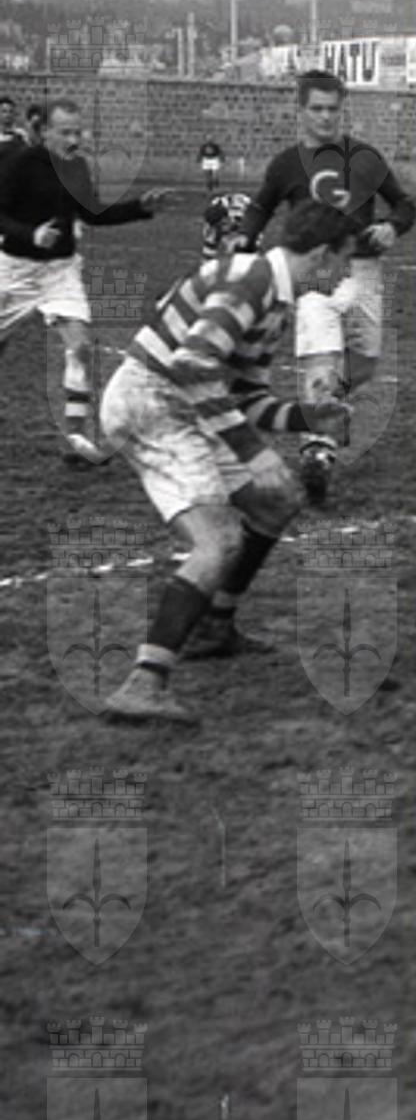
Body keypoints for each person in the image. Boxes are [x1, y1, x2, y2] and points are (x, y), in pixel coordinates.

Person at [95, 200, 358, 722]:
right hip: (152, 401)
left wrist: (309, 417)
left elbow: (244, 396)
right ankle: (143, 682)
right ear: (322, 255)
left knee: (277, 501)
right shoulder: (252, 281)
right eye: (344, 260)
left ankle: (215, 627)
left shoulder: (272, 297)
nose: (347, 273)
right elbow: (193, 363)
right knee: (218, 542)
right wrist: (253, 452)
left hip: (183, 401)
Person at [236, 70, 416, 506]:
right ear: (301, 111)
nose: (325, 117)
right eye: (316, 108)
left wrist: (392, 227)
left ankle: (330, 408)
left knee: (365, 363)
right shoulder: (286, 164)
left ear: (342, 110)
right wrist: (243, 242)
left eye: (332, 109)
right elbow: (260, 208)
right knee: (320, 358)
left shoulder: (366, 158)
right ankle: (317, 451)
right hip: (315, 272)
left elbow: (405, 204)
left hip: (364, 269)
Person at [0, 97, 169, 464]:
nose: (74, 140)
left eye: (78, 132)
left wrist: (140, 208)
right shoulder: (20, 164)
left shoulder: (77, 167)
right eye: (65, 133)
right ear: (44, 132)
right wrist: (31, 234)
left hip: (60, 273)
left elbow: (92, 213)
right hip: (12, 272)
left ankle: (74, 438)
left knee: (79, 347)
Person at [201, 187, 254, 259]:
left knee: (242, 248)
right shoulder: (212, 220)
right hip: (230, 212)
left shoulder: (242, 215)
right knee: (212, 238)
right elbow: (209, 244)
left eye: (223, 224)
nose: (222, 227)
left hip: (245, 215)